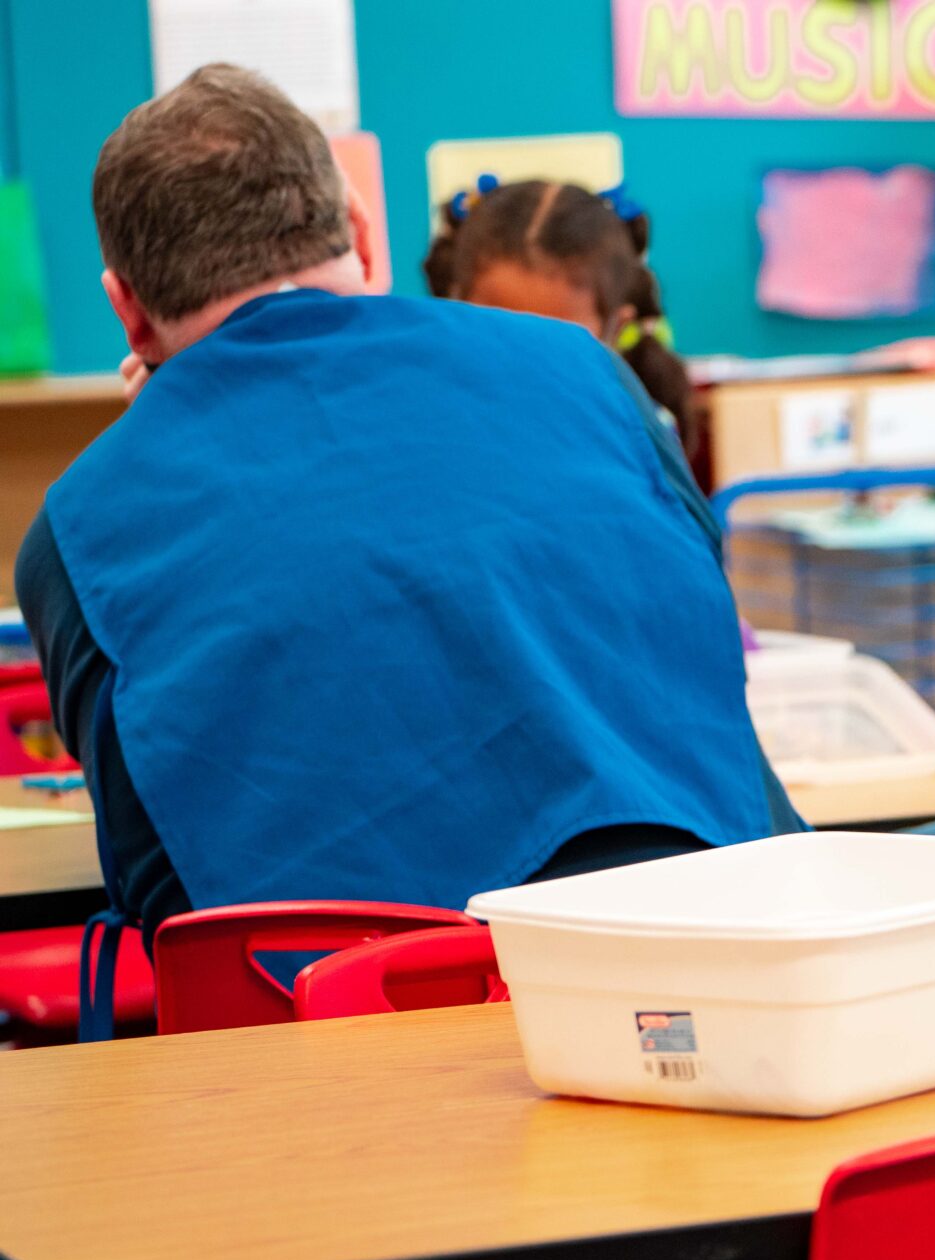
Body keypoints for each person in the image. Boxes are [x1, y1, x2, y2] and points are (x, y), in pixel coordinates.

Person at [16, 65, 796, 1038]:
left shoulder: (79, 529)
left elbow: (159, 893)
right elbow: (699, 658)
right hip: (709, 1000)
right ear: (364, 231)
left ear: (126, 309)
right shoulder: (590, 379)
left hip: (341, 1070)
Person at [425, 178, 705, 470]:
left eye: (555, 344)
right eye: (498, 332)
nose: (524, 367)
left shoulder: (639, 440)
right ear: (454, 308)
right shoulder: (430, 423)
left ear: (614, 331)